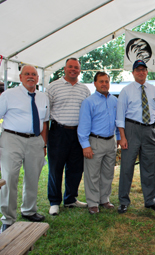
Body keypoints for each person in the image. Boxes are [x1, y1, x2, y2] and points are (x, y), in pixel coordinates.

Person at [0, 65, 49, 233]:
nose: (31, 77)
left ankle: (29, 210)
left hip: (35, 140)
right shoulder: (8, 95)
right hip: (12, 138)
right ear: (20, 77)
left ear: (38, 78)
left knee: (32, 176)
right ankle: (8, 218)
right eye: (27, 74)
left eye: (34, 74)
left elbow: (44, 122)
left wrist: (43, 143)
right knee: (10, 177)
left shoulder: (43, 97)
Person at [116, 60, 155, 214]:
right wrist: (122, 137)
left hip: (149, 131)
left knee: (149, 166)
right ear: (133, 73)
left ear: (147, 72)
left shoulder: (153, 89)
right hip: (131, 129)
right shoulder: (126, 90)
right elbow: (119, 116)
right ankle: (123, 201)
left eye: (143, 70)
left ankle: (150, 200)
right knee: (127, 167)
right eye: (138, 70)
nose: (141, 72)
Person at [46, 58, 91, 216]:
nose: (73, 69)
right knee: (55, 168)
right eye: (70, 67)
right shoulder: (53, 87)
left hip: (78, 133)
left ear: (80, 70)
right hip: (58, 132)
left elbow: (87, 113)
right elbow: (46, 113)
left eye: (76, 67)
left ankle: (70, 198)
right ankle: (54, 201)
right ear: (65, 68)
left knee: (76, 168)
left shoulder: (84, 89)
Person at [78, 72, 120, 214]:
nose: (104, 84)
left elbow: (118, 121)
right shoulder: (89, 102)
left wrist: (119, 137)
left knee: (108, 173)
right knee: (93, 174)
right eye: (101, 81)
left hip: (111, 141)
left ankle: (104, 199)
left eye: (106, 81)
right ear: (95, 83)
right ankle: (93, 202)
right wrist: (85, 145)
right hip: (94, 141)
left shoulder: (115, 101)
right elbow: (83, 125)